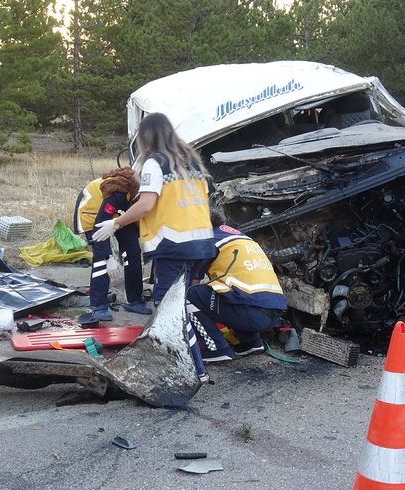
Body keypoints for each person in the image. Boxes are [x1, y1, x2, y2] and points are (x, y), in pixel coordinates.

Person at [91, 113, 216, 380]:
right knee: (182, 305)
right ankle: (204, 355)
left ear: (146, 137)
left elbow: (146, 204)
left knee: (169, 309)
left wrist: (116, 224)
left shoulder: (155, 163)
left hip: (174, 246)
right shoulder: (193, 163)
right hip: (203, 246)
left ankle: (195, 370)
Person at [187, 213, 287, 362]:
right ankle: (251, 342)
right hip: (275, 311)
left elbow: (192, 282)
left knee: (189, 296)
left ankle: (216, 349)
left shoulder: (209, 240)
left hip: (252, 313)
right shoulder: (240, 237)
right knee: (230, 292)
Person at [73, 167, 152, 321]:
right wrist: (109, 257)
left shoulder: (144, 192)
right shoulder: (118, 192)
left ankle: (134, 300)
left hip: (119, 214)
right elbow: (100, 224)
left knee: (133, 252)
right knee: (101, 260)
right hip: (94, 214)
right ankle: (98, 305)